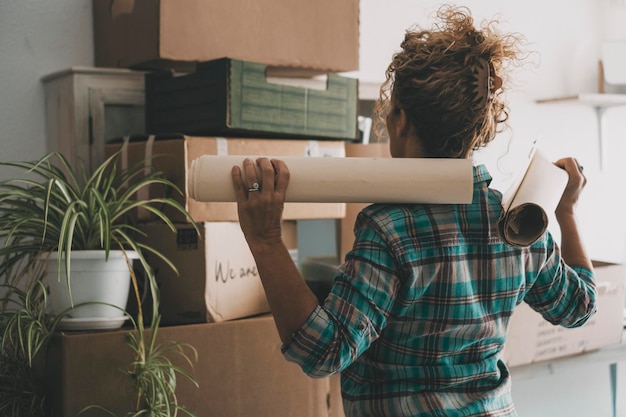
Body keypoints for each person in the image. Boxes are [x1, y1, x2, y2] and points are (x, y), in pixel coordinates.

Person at [230, 5, 596, 417]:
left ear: (400, 120)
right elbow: (579, 307)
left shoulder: (391, 229)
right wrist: (566, 212)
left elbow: (323, 350)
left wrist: (266, 241)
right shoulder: (518, 220)